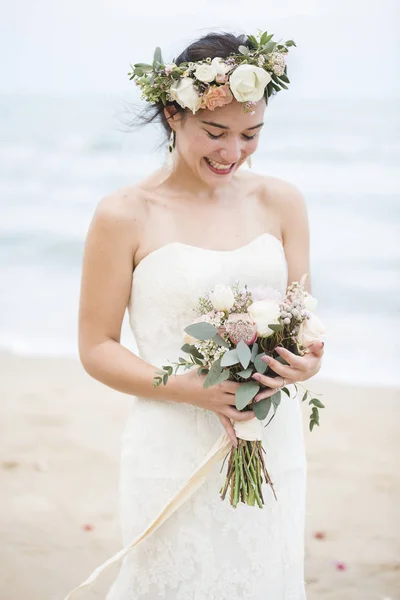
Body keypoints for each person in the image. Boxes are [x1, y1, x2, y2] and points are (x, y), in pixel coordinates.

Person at [71, 30, 324, 600]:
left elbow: (300, 317)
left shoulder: (283, 203)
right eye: (216, 132)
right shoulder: (124, 215)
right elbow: (97, 347)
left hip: (270, 441)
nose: (232, 152)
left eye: (251, 134)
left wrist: (301, 363)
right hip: (170, 442)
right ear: (172, 114)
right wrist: (195, 390)